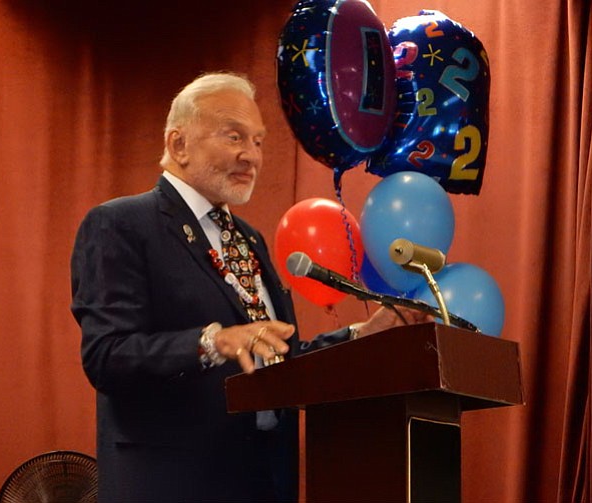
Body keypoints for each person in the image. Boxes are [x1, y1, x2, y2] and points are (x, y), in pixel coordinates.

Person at [70, 71, 431, 502]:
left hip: (263, 480)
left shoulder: (249, 238)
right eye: (234, 137)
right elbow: (106, 356)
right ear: (178, 145)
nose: (252, 156)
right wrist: (210, 342)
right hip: (172, 481)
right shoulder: (121, 224)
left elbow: (277, 360)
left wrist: (360, 337)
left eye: (258, 142)